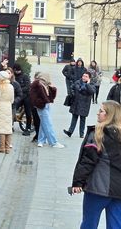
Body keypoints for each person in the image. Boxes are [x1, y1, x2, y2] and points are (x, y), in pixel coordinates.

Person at [71, 100, 121, 229]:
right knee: (116, 224)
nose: (98, 113)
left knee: (89, 223)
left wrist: (78, 182)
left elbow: (88, 161)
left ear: (109, 115)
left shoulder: (98, 134)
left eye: (101, 111)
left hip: (99, 188)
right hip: (118, 190)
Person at [30, 72, 65, 148]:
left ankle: (41, 140)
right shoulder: (37, 84)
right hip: (42, 106)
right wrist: (41, 103)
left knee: (44, 123)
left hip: (46, 105)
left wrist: (53, 89)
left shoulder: (45, 85)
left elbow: (51, 96)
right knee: (48, 124)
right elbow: (33, 97)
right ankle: (53, 142)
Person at [65, 71, 96, 139]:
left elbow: (92, 92)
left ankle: (81, 134)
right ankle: (70, 132)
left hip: (84, 104)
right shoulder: (78, 82)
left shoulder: (91, 84)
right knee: (74, 118)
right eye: (83, 76)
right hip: (76, 103)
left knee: (82, 119)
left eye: (86, 76)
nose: (84, 77)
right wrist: (72, 93)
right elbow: (72, 87)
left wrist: (87, 84)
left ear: (89, 78)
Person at [0, 71, 14, 154]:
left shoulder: (0, 87)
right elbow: (12, 99)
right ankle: (7, 148)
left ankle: (2, 147)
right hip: (8, 107)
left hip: (0, 107)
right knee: (8, 128)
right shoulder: (11, 86)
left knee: (1, 128)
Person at [13, 64, 33, 136]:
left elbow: (27, 86)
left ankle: (28, 128)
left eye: (18, 70)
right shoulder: (14, 77)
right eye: (15, 70)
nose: (17, 72)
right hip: (19, 97)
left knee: (28, 112)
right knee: (13, 109)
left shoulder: (25, 76)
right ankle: (11, 125)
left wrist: (19, 89)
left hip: (27, 97)